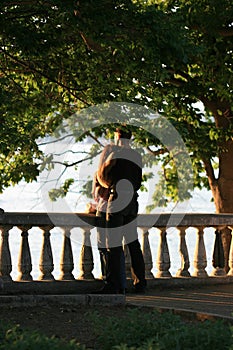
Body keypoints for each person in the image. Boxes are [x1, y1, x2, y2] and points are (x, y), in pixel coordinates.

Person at [96, 126, 146, 294]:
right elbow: (138, 182)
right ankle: (140, 283)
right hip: (132, 202)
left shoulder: (115, 155)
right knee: (133, 244)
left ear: (118, 137)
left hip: (116, 200)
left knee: (113, 245)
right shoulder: (137, 156)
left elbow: (102, 177)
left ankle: (114, 284)